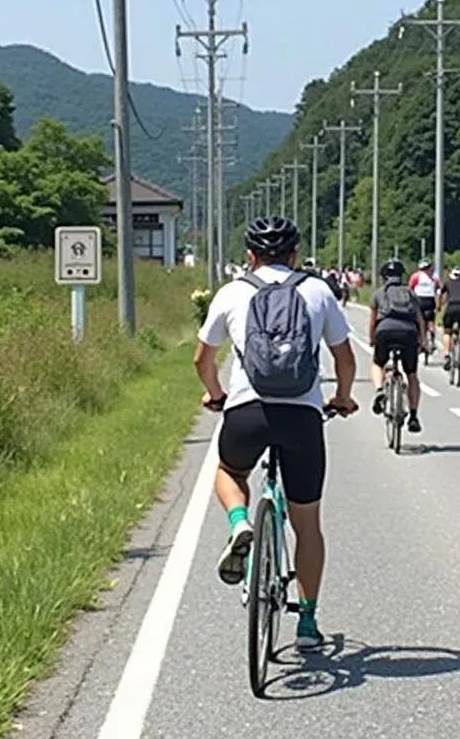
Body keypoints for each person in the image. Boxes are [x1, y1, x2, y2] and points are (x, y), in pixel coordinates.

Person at [194, 215, 358, 650]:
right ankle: (306, 623)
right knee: (308, 525)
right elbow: (345, 358)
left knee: (230, 472)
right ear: (295, 255)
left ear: (250, 255)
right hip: (302, 418)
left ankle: (239, 523)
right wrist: (342, 397)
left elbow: (202, 359)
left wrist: (216, 395)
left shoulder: (233, 292)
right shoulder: (318, 290)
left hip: (248, 412)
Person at [369, 258, 426, 433]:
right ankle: (414, 415)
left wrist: (372, 338)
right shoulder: (410, 293)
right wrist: (422, 340)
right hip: (408, 332)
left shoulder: (379, 293)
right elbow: (420, 320)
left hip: (385, 330)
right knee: (411, 374)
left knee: (378, 364)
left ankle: (380, 390)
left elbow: (372, 321)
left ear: (384, 276)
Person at [408, 259, 440, 351]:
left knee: (419, 322)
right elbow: (439, 289)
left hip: (418, 300)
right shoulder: (434, 278)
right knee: (431, 322)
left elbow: (410, 289)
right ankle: (433, 340)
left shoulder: (416, 276)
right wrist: (438, 303)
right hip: (430, 301)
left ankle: (420, 341)